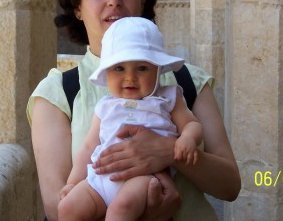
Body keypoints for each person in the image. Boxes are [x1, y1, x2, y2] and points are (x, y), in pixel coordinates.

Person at [27, 0, 241, 221]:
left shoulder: (187, 82)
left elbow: (229, 186)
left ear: (143, 0)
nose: (113, 1)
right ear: (77, 7)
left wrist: (168, 152)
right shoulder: (58, 93)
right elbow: (59, 211)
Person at [58, 17, 203, 221]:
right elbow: (88, 146)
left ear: (158, 69)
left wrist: (188, 138)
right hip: (99, 181)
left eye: (142, 68)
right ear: (107, 72)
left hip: (143, 178)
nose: (130, 77)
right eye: (119, 68)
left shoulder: (167, 97)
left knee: (121, 209)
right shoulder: (106, 106)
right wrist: (73, 183)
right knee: (67, 208)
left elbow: (192, 124)